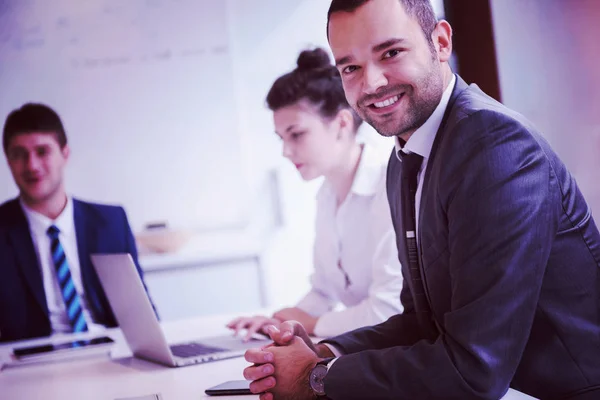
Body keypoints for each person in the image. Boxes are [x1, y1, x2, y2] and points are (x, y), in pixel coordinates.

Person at [242, 1, 600, 399]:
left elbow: (475, 371)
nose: (372, 83)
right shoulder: (406, 157)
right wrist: (325, 351)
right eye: (350, 68)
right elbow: (423, 322)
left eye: (390, 53)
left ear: (441, 42)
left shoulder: (495, 145)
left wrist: (318, 378)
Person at [227, 48, 403, 340]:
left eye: (296, 134)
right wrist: (278, 324)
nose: (286, 151)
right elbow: (324, 291)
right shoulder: (327, 194)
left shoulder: (389, 185)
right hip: (367, 349)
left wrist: (309, 326)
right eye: (282, 138)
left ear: (342, 124)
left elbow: (387, 310)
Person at [0, 103, 155, 342]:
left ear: (65, 154)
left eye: (42, 152)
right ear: (8, 161)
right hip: (33, 364)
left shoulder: (110, 222)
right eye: (19, 154)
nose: (31, 165)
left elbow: (143, 316)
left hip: (109, 353)